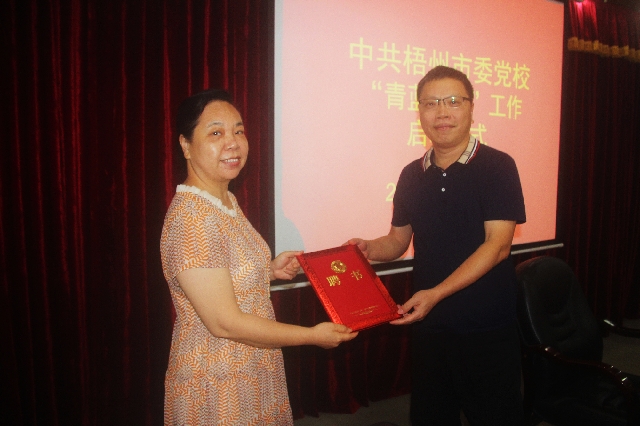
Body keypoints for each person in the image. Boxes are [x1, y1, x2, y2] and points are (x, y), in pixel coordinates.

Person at [160, 89, 358, 425]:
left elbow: (220, 271)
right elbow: (224, 323)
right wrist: (312, 336)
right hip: (217, 376)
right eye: (216, 133)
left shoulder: (224, 201)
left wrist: (268, 270)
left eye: (238, 131)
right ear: (186, 145)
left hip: (253, 362)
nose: (233, 143)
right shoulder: (191, 219)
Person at [347, 66, 526, 425]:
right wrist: (368, 249)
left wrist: (436, 294)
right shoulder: (411, 175)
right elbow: (397, 240)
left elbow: (497, 247)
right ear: (419, 112)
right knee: (432, 416)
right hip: (429, 325)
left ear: (471, 108)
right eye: (430, 103)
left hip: (485, 325)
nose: (442, 112)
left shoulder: (497, 166)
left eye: (453, 101)